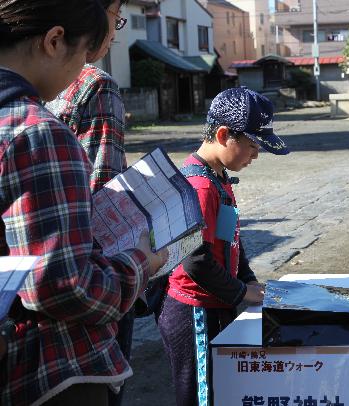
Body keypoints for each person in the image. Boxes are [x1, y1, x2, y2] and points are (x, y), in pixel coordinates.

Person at [0, 1, 167, 405]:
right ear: (55, 41)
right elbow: (64, 287)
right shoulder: (36, 133)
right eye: (84, 54)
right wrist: (141, 262)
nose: (84, 69)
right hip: (48, 370)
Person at [157, 87, 290, 406]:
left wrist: (246, 279)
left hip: (217, 300)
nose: (256, 154)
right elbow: (194, 260)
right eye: (253, 144)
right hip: (195, 311)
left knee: (220, 392)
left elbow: (231, 238)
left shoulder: (218, 178)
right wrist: (240, 292)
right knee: (201, 396)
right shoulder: (200, 187)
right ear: (222, 134)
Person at [45, 2, 133, 405]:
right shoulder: (93, 83)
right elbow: (102, 196)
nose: (114, 31)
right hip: (87, 292)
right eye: (115, 18)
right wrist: (137, 268)